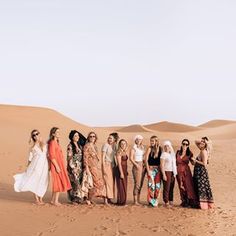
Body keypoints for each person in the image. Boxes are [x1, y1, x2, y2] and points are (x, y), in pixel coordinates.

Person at [14, 130, 49, 205]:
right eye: (34, 135)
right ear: (32, 137)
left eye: (37, 134)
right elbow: (30, 158)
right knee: (35, 181)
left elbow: (47, 156)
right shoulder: (33, 147)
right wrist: (27, 167)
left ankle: (41, 198)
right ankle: (37, 200)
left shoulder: (44, 145)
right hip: (35, 166)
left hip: (44, 166)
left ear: (39, 134)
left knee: (43, 181)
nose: (36, 135)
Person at [48, 127, 71, 206]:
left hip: (60, 164)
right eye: (57, 132)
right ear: (53, 134)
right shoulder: (52, 143)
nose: (59, 133)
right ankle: (55, 201)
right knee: (58, 182)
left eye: (59, 132)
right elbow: (52, 156)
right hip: (56, 165)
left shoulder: (56, 142)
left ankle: (52, 200)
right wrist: (57, 166)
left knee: (58, 181)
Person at [83, 132, 106, 205]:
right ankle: (88, 199)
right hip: (90, 167)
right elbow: (85, 157)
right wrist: (86, 168)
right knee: (94, 183)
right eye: (91, 136)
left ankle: (90, 198)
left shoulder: (95, 146)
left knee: (96, 183)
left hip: (96, 166)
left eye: (94, 136)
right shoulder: (87, 146)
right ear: (88, 137)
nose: (92, 138)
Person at [192, 137, 214, 210]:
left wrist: (195, 160)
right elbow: (195, 141)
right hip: (198, 171)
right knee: (200, 187)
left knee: (201, 187)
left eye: (203, 142)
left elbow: (204, 164)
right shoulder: (202, 149)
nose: (201, 143)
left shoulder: (203, 151)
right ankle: (201, 204)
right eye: (201, 141)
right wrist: (203, 141)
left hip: (201, 172)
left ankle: (203, 205)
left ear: (205, 144)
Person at [176, 139, 197, 208]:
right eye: (184, 144)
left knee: (187, 186)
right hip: (178, 172)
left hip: (186, 172)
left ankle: (189, 201)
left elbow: (193, 163)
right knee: (181, 187)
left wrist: (195, 160)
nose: (185, 145)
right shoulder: (178, 152)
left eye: (186, 144)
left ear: (188, 146)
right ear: (181, 144)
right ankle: (184, 201)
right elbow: (175, 162)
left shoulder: (189, 153)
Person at [67, 130, 86, 204]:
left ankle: (78, 198)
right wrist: (72, 167)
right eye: (75, 136)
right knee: (75, 183)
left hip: (80, 167)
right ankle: (74, 199)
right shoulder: (70, 146)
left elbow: (85, 139)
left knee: (79, 182)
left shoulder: (80, 145)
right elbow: (69, 157)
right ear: (72, 137)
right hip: (73, 167)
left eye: (78, 136)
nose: (77, 137)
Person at [145, 136, 162, 207]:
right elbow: (145, 160)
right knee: (151, 185)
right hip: (151, 169)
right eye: (150, 141)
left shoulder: (160, 149)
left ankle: (156, 200)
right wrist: (148, 170)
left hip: (158, 170)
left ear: (156, 141)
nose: (151, 142)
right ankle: (150, 200)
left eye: (153, 141)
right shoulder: (149, 148)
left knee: (157, 185)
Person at [101, 133, 117, 204]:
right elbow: (103, 157)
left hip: (111, 166)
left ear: (114, 140)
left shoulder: (113, 147)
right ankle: (105, 200)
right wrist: (103, 166)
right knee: (106, 182)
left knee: (110, 183)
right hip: (106, 165)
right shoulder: (105, 145)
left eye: (111, 138)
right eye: (109, 138)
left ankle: (109, 198)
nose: (109, 139)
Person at [160, 140, 177, 207]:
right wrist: (163, 174)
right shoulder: (163, 154)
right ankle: (166, 202)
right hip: (166, 172)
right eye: (165, 146)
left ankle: (171, 201)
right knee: (166, 187)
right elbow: (162, 165)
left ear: (170, 147)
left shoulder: (172, 155)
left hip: (172, 172)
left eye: (168, 146)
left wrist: (174, 173)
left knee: (171, 187)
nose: (167, 147)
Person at [130, 134, 145, 205]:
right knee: (137, 183)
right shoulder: (134, 148)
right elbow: (131, 158)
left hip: (142, 165)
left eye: (140, 139)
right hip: (137, 166)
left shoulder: (142, 147)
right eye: (137, 139)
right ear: (135, 140)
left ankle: (138, 200)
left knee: (141, 183)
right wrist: (136, 165)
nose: (139, 140)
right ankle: (135, 201)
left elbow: (143, 156)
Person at [115, 139, 129, 206]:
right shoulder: (119, 152)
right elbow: (119, 164)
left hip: (125, 169)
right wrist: (121, 173)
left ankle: (123, 201)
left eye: (124, 143)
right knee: (121, 186)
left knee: (124, 185)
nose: (123, 145)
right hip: (120, 170)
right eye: (122, 144)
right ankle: (121, 202)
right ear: (119, 145)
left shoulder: (124, 151)